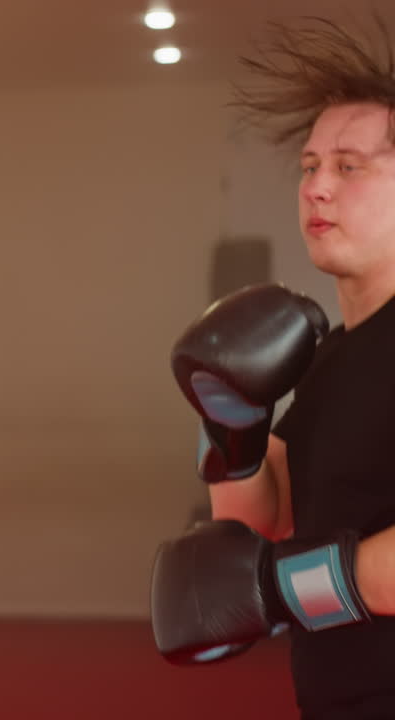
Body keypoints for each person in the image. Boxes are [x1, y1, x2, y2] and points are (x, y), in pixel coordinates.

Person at [149, 13, 395, 720]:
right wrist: (232, 423)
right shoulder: (331, 355)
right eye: (310, 167)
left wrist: (289, 588)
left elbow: (273, 570)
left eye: (350, 166)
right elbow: (260, 520)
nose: (317, 188)